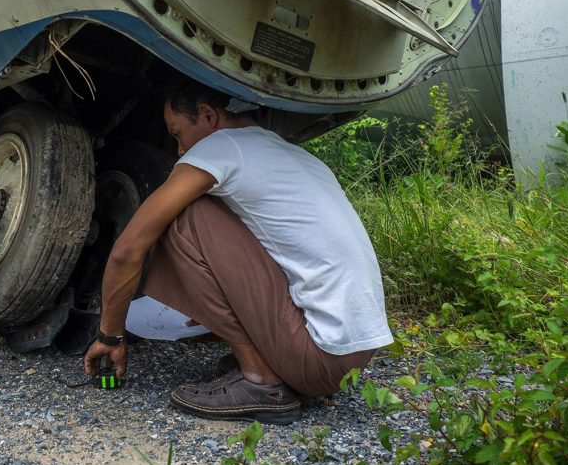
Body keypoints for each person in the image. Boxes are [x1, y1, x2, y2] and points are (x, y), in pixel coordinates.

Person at [83, 77, 392, 423]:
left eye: (178, 134)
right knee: (209, 212)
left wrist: (110, 334)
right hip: (353, 355)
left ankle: (261, 381)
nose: (180, 149)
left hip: (319, 359)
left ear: (207, 115)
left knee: (185, 216)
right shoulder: (288, 153)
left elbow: (129, 249)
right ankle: (273, 363)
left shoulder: (221, 147)